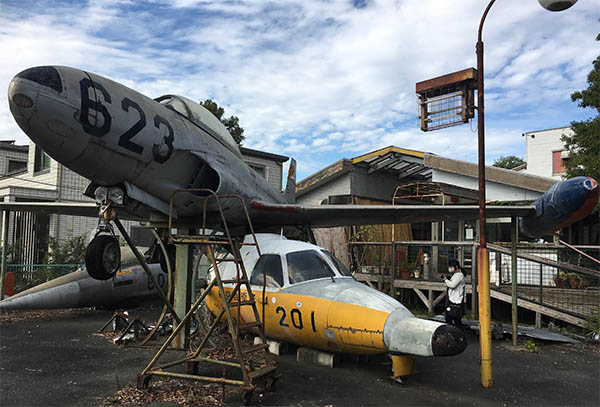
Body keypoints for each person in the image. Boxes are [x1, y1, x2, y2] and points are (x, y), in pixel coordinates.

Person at [443, 259, 465, 330]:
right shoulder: (456, 275)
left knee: (451, 319)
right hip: (454, 300)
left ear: (456, 267)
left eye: (451, 267)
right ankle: (459, 335)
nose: (449, 268)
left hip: (456, 301)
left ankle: (455, 334)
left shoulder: (459, 275)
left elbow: (452, 285)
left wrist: (446, 280)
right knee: (456, 320)